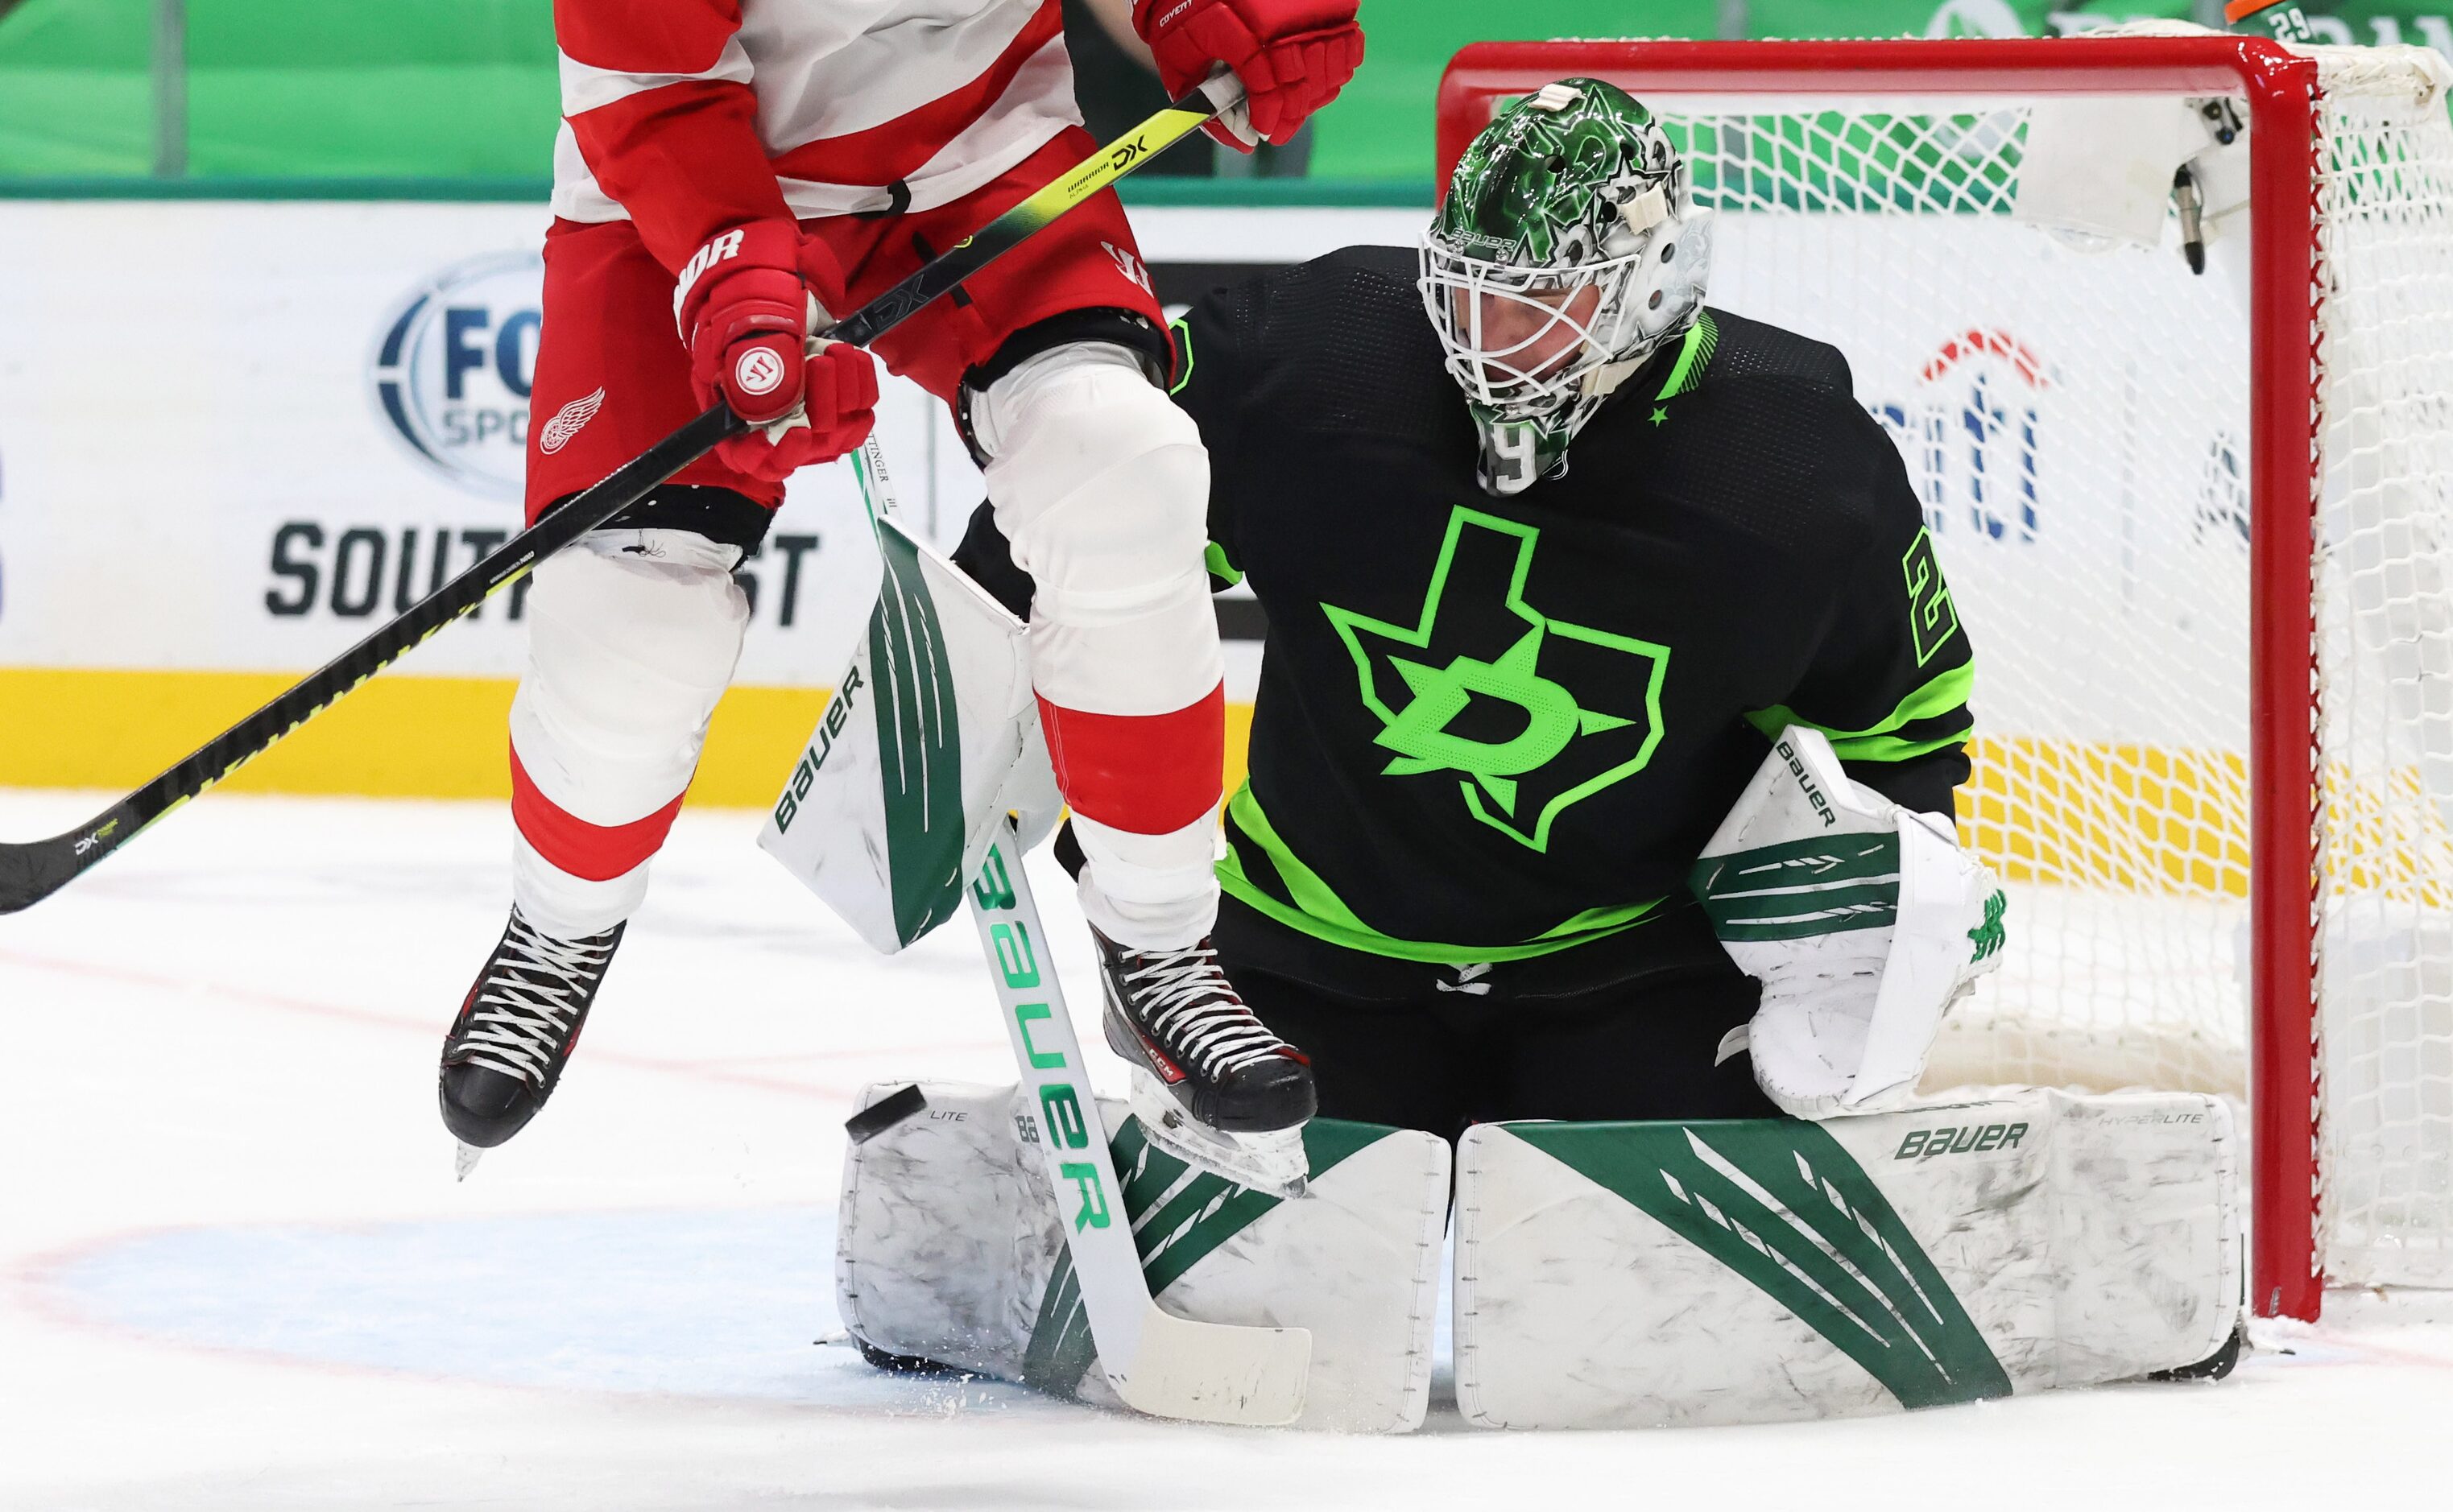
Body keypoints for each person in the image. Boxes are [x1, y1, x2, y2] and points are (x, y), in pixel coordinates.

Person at [953, 76, 1989, 1138]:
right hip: (1299, 949)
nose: (1489, 335)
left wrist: (1875, 926)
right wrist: (979, 688)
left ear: (1653, 282)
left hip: (1633, 969)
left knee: (1641, 1301)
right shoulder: (1314, 357)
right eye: (1468, 291)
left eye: (1541, 304)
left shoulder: (1798, 467)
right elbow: (1086, 516)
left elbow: (1902, 726)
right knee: (1288, 1297)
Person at [435, 0, 1365, 1165]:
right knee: (630, 627)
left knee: (1121, 470)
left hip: (978, 154)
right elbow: (652, 92)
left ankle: (1161, 936)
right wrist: (736, 277)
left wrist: (1190, 12)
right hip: (688, 200)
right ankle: (560, 925)